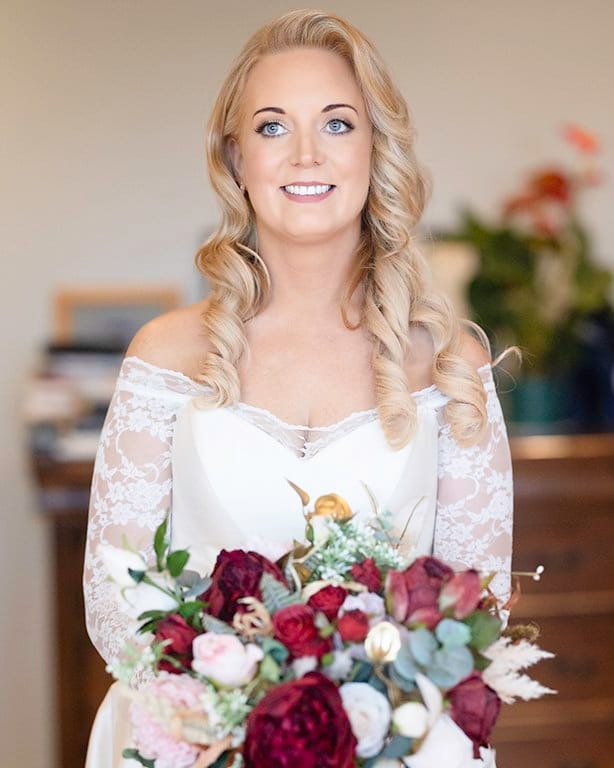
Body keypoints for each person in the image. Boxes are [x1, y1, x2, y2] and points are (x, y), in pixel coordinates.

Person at [82, 9, 517, 766]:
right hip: (195, 744)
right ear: (236, 156)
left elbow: (482, 609)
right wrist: (240, 722)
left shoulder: (448, 363)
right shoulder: (167, 354)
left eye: (339, 124)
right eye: (274, 127)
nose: (307, 153)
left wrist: (364, 726)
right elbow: (117, 602)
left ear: (376, 147)